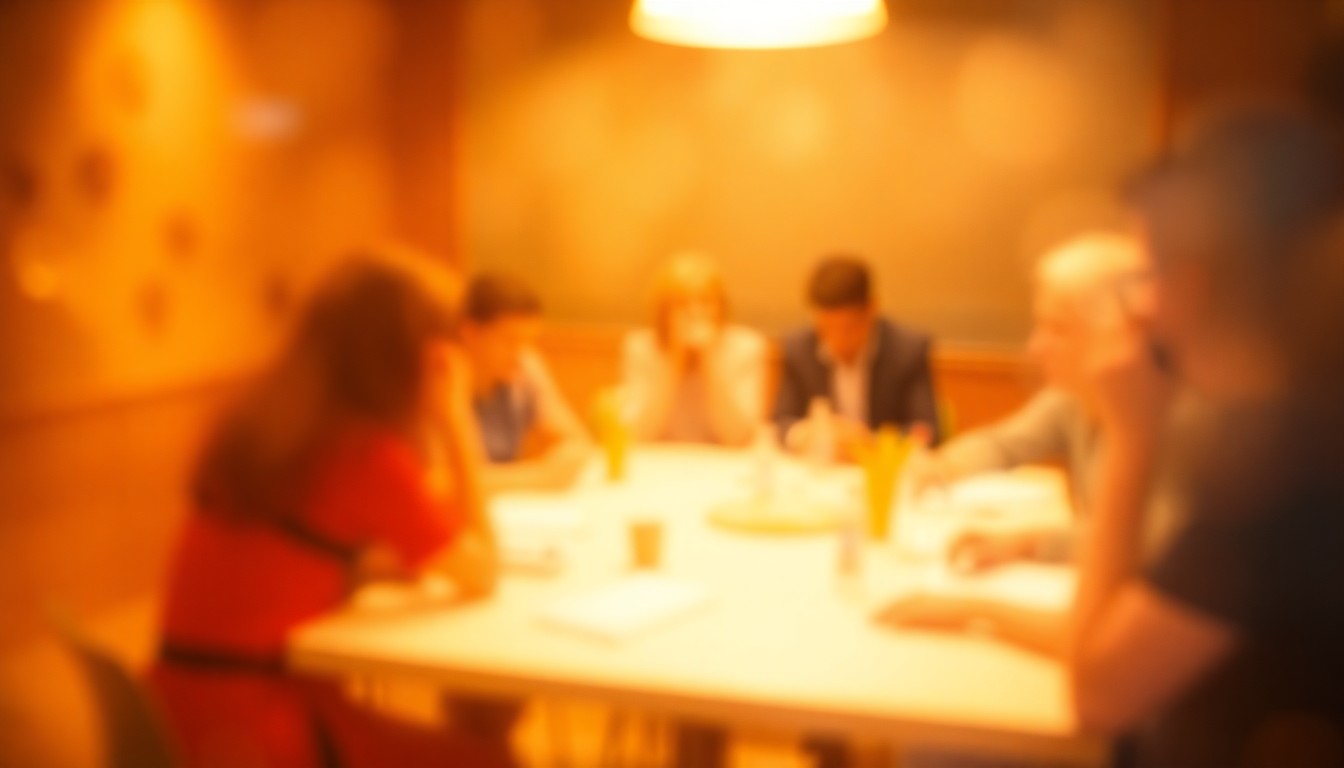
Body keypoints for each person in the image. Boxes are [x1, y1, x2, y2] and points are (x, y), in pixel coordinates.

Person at [148, 253, 515, 768]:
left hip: (175, 711)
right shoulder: (366, 453)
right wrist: (456, 420)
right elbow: (482, 571)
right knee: (493, 761)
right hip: (259, 727)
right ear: (414, 356)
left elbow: (288, 555)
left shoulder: (259, 423)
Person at [1067, 107, 1344, 767]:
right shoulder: (1305, 428)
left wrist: (1131, 439)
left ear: (1192, 282)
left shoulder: (1286, 471)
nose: (1143, 309)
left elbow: (1099, 692)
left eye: (1145, 275)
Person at [907, 233, 1184, 572]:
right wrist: (938, 467)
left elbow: (1151, 543)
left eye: (1057, 329)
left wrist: (1031, 543)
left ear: (1124, 332)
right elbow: (1003, 443)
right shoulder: (1072, 398)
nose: (1035, 348)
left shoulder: (1180, 419)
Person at [773, 254, 940, 458]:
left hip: (879, 468)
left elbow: (928, 430)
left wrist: (870, 441)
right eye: (826, 329)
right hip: (823, 470)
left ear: (872, 308)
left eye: (848, 329)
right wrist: (807, 434)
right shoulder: (799, 348)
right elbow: (780, 422)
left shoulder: (907, 350)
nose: (837, 341)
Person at [460, 271, 591, 493]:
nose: (520, 354)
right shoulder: (444, 384)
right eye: (510, 341)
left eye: (528, 341)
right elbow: (444, 479)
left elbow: (576, 439)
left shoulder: (525, 366)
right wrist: (538, 477)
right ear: (471, 333)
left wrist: (567, 455)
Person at [622, 253, 768, 446]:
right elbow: (637, 434)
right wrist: (675, 358)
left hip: (722, 459)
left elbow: (740, 437)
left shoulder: (746, 348)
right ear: (663, 311)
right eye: (682, 303)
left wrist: (709, 359)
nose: (695, 312)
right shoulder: (641, 348)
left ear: (721, 307)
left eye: (705, 301)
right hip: (662, 458)